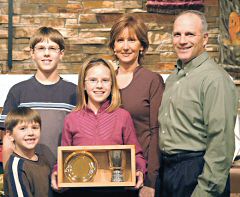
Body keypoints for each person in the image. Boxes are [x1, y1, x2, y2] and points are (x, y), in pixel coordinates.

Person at [158, 10, 238, 197]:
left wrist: (206, 190)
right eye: (177, 34)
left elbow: (221, 143)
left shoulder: (215, 79)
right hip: (169, 173)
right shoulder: (173, 78)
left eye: (190, 34)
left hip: (196, 173)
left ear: (205, 39)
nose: (182, 40)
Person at [51, 57, 146, 196]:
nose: (99, 85)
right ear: (83, 84)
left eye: (105, 80)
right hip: (80, 191)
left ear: (112, 84)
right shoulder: (71, 119)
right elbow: (64, 158)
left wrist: (139, 171)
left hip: (116, 191)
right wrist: (56, 172)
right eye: (93, 80)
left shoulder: (123, 116)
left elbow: (136, 154)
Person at [0, 27, 77, 169]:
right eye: (41, 48)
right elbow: (8, 138)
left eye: (52, 48)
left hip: (65, 170)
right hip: (26, 172)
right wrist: (8, 178)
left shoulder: (74, 92)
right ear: (32, 53)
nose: (46, 53)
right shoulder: (18, 91)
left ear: (61, 54)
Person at [109, 14, 164, 197]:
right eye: (120, 40)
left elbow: (157, 132)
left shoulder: (152, 81)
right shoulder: (103, 81)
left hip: (142, 175)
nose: (125, 47)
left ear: (142, 46)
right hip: (108, 172)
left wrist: (151, 181)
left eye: (132, 40)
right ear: (113, 46)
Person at [4, 107, 53, 197]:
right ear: (10, 135)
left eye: (35, 127)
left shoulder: (43, 159)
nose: (31, 133)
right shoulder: (16, 167)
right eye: (23, 128)